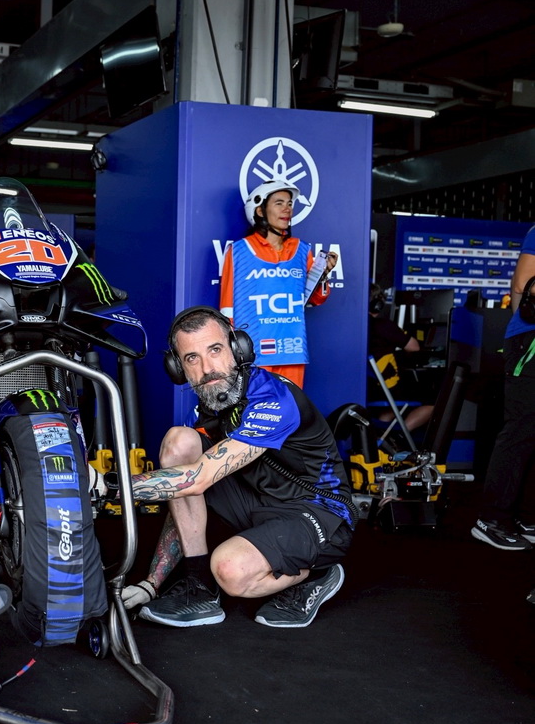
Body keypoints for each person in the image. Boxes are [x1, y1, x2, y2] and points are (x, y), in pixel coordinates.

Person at [121, 306, 354, 628]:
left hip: (317, 512)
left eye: (215, 350)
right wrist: (152, 583)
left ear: (237, 348)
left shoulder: (274, 398)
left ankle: (318, 575)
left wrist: (108, 486)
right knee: (179, 442)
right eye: (192, 358)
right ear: (178, 369)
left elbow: (197, 479)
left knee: (230, 571)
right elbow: (182, 491)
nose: (207, 368)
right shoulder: (207, 410)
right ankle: (198, 585)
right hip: (258, 504)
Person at [219, 180, 338, 388]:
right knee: (257, 406)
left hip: (292, 349)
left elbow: (315, 299)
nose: (287, 209)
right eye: (279, 203)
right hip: (254, 351)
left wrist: (324, 274)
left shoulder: (302, 249)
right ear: (260, 211)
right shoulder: (239, 250)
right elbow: (227, 305)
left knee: (291, 405)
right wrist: (229, 347)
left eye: (290, 203)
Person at [470, 226, 535, 551]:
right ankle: (491, 520)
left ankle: (528, 518)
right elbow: (523, 284)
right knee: (521, 429)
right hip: (530, 340)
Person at [366, 283, 434, 435]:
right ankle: (399, 434)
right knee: (433, 400)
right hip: (385, 388)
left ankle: (381, 436)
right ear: (377, 305)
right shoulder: (383, 326)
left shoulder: (352, 326)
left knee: (391, 404)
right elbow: (414, 347)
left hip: (366, 388)